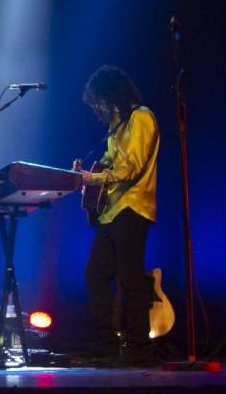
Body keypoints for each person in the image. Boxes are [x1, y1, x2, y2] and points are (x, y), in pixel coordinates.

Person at [74, 65, 159, 364]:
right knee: (95, 274)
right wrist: (85, 173)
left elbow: (130, 168)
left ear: (113, 94)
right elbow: (108, 164)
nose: (99, 107)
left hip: (134, 207)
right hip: (111, 212)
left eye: (100, 100)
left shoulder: (142, 117)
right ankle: (105, 343)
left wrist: (92, 178)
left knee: (130, 277)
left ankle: (139, 347)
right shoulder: (116, 127)